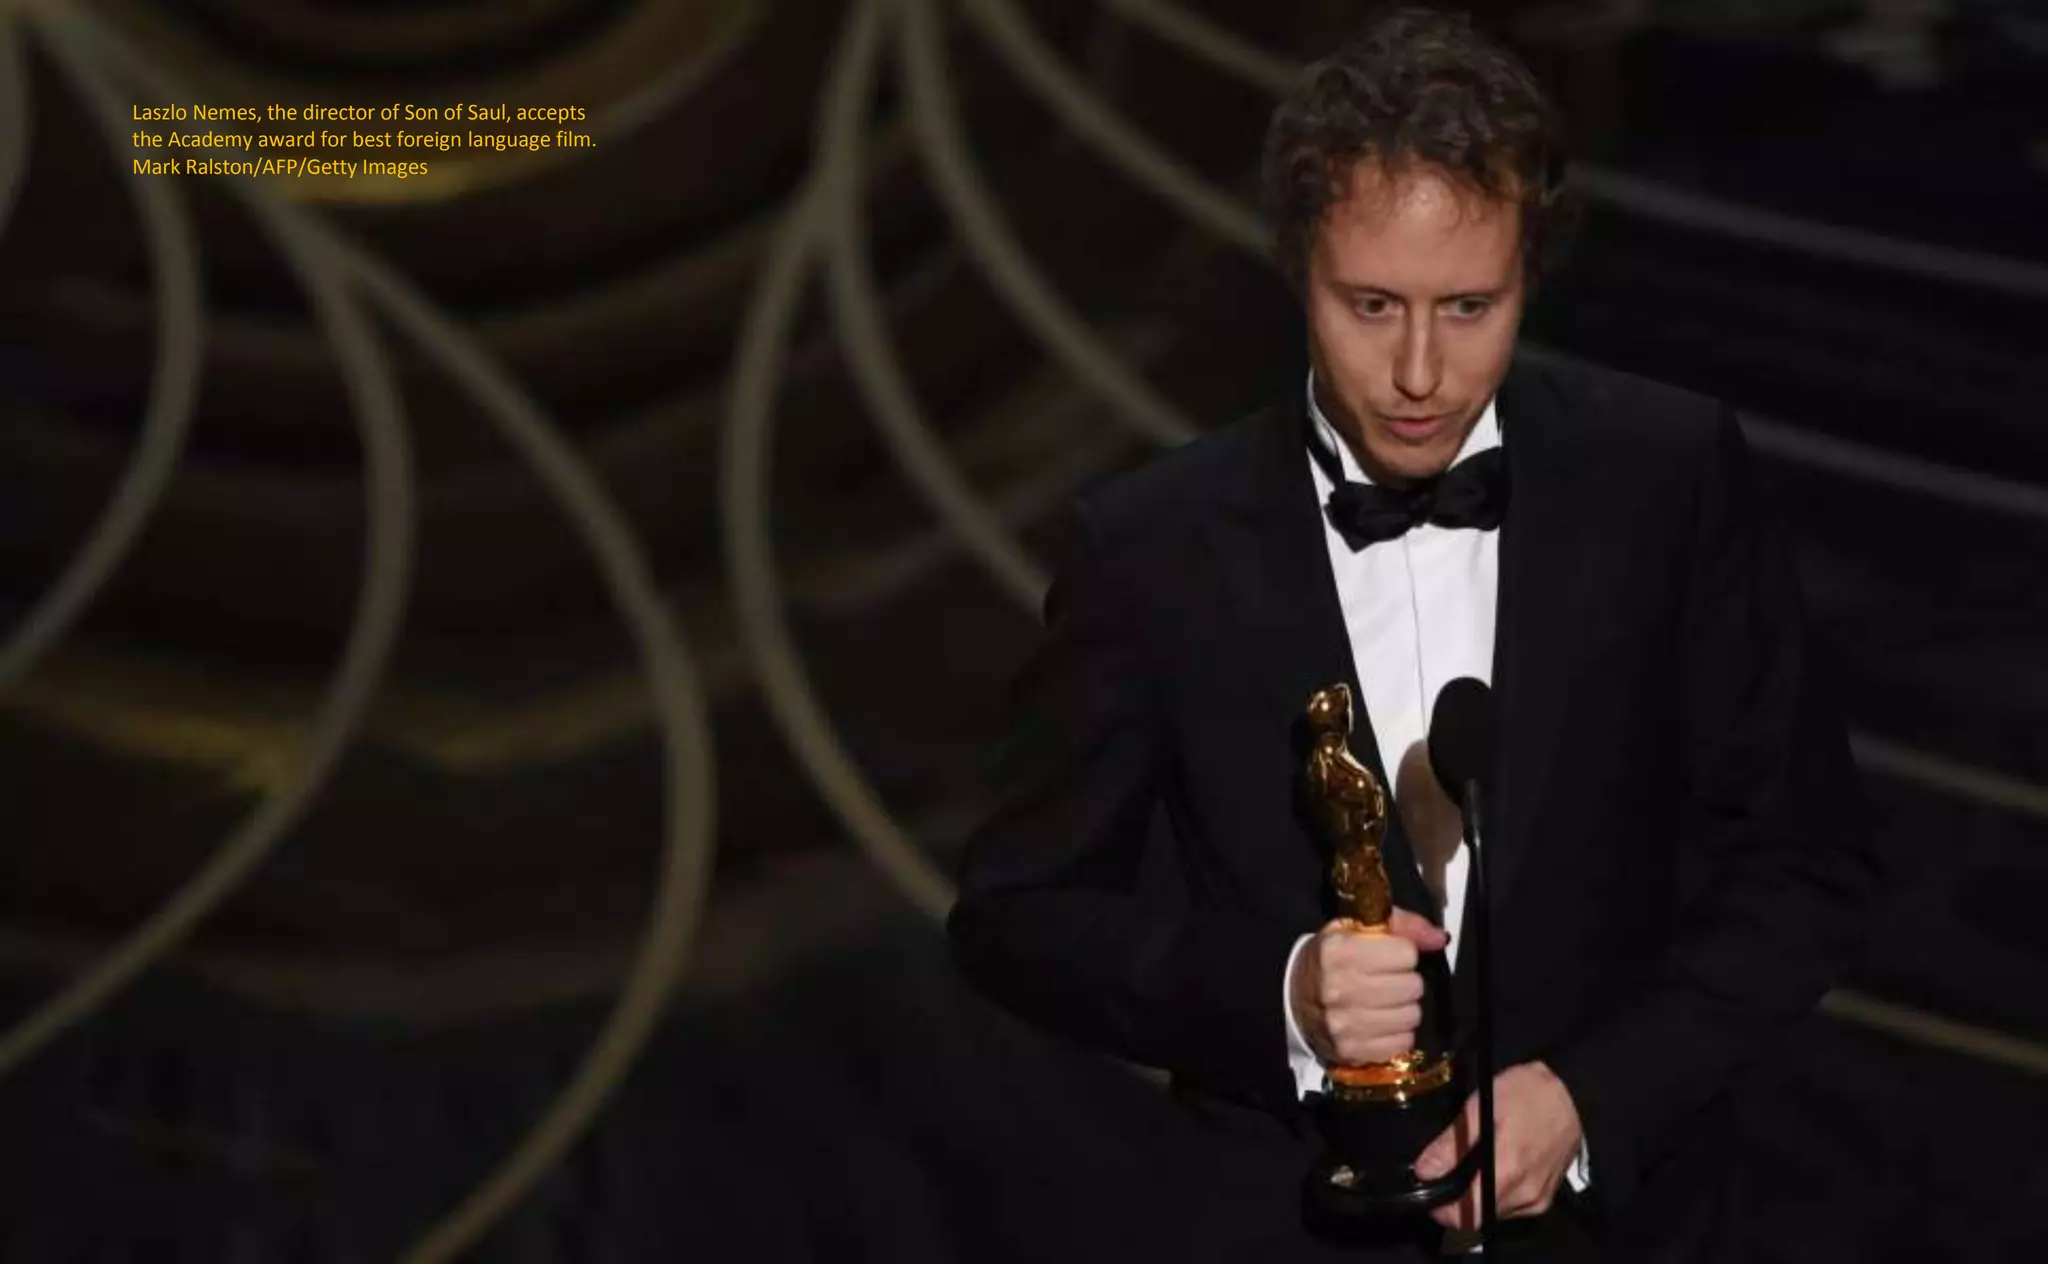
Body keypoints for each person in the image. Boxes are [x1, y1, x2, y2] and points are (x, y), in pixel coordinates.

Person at [945, 5, 1876, 1260]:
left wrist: (1592, 1094)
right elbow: (1016, 914)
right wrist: (1278, 995)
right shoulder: (1152, 547)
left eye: (1469, 307)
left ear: (1527, 275)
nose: (1421, 371)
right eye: (1371, 304)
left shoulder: (1666, 479)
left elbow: (1803, 868)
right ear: (1297, 272)